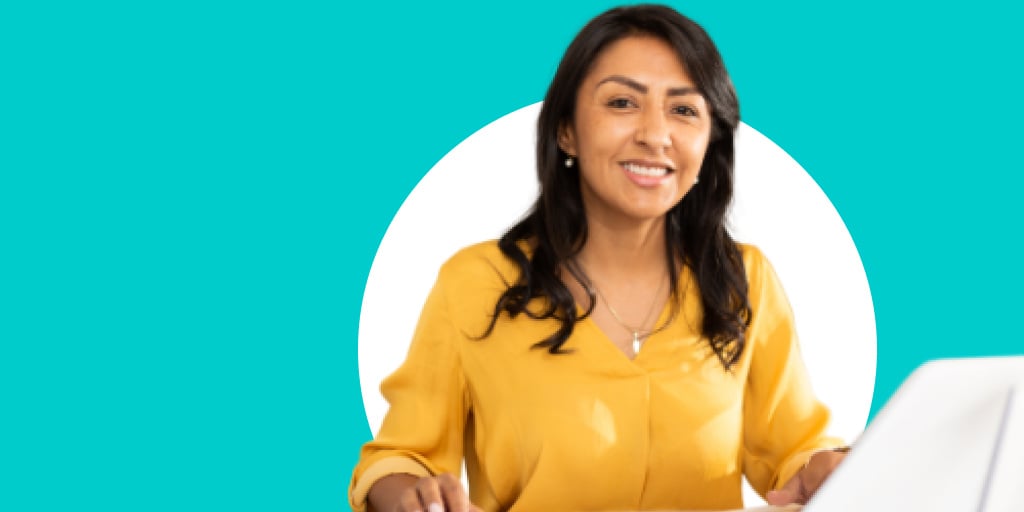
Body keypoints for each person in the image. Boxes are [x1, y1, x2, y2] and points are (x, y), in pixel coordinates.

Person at [350, 5, 847, 511]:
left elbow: (794, 450)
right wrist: (412, 497)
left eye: (683, 110)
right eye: (623, 102)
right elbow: (399, 458)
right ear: (566, 130)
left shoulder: (745, 281)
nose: (655, 135)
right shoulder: (476, 285)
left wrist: (823, 471)